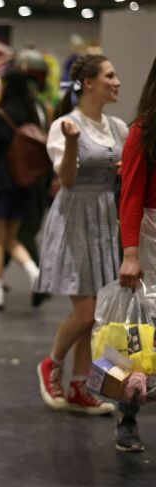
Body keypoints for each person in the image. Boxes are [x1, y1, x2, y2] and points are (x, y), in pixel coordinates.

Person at [35, 54, 127, 415]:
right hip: (74, 219)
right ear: (89, 83)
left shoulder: (117, 127)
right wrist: (73, 142)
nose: (117, 82)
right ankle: (51, 363)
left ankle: (79, 386)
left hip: (103, 220)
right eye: (110, 75)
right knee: (86, 313)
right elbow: (68, 180)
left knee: (96, 314)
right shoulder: (65, 125)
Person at [0, 71, 42, 310]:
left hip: (1, 181)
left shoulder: (0, 114)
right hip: (24, 182)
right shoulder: (32, 114)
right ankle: (34, 273)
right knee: (11, 238)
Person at [116, 55, 156, 452]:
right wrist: (131, 253)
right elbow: (130, 197)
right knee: (139, 330)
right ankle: (127, 414)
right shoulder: (142, 133)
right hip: (149, 238)